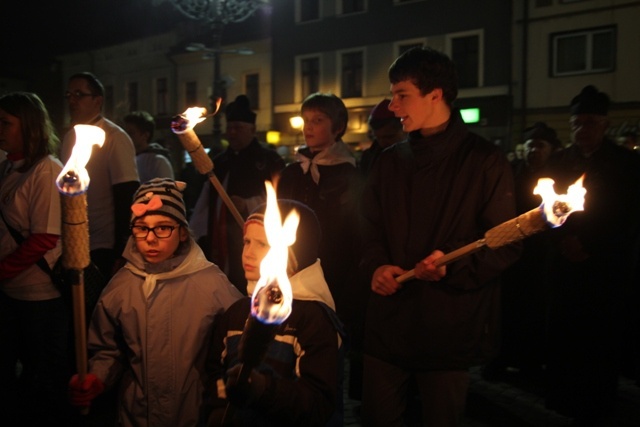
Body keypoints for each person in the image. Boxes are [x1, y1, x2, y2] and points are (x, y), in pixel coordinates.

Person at [359, 47, 520, 427]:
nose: (393, 107)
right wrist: (376, 265)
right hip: (388, 326)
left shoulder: (484, 160)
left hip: (447, 327)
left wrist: (450, 265)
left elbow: (505, 242)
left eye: (402, 95)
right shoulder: (390, 160)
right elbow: (367, 227)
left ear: (436, 95)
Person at [68, 178, 243, 427]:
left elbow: (236, 341)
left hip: (192, 413)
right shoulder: (122, 286)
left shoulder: (211, 284)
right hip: (136, 415)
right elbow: (107, 349)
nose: (150, 238)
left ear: (182, 232)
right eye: (141, 227)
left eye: (163, 228)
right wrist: (97, 377)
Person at [542, 85, 640, 426]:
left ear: (605, 124)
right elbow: (543, 212)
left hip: (605, 266)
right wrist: (564, 241)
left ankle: (597, 400)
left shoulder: (626, 164)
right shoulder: (558, 162)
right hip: (566, 264)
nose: (583, 129)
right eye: (577, 123)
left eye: (591, 122)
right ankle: (562, 396)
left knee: (600, 337)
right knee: (565, 333)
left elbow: (628, 216)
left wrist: (592, 245)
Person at [209, 199, 344, 426]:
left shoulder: (314, 320)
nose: (248, 253)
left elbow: (318, 403)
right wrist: (218, 408)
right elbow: (213, 373)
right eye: (247, 241)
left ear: (291, 255)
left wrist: (263, 389)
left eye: (263, 244)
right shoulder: (236, 313)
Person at [0, 92, 71, 426]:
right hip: (11, 292)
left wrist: (2, 271)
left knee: (41, 377)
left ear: (27, 126)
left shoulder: (46, 171)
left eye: (5, 123)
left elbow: (44, 237)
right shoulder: (7, 167)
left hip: (38, 297)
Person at [484, 122, 562, 382]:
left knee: (535, 311)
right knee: (506, 309)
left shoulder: (557, 178)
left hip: (541, 255)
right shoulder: (513, 172)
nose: (534, 151)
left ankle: (531, 362)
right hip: (511, 252)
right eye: (530, 145)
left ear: (550, 150)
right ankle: (501, 357)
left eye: (540, 146)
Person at [277, 92, 361, 321]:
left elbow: (352, 226)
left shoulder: (348, 173)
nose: (308, 128)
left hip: (334, 263)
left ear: (338, 127)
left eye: (318, 121)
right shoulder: (293, 171)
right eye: (306, 121)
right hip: (293, 261)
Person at [191, 95, 285, 295]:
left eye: (238, 128)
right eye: (230, 127)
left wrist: (248, 204)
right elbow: (205, 201)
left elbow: (280, 199)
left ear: (252, 130)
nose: (232, 133)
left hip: (256, 238)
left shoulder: (268, 160)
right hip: (221, 237)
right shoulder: (218, 163)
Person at [60, 71, 140, 280]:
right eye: (68, 95)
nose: (72, 100)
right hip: (72, 240)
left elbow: (126, 193)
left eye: (79, 94)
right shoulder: (70, 137)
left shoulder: (115, 137)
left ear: (98, 100)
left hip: (103, 245)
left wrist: (122, 248)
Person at [123, 110, 174, 182]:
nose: (127, 137)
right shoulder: (127, 160)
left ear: (145, 135)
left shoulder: (158, 161)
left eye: (131, 133)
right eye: (125, 133)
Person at [359, 98, 405, 176]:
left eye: (389, 137)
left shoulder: (418, 155)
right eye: (378, 138)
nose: (383, 143)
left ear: (404, 129)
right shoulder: (368, 158)